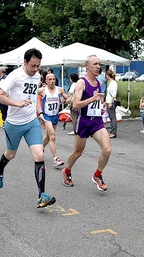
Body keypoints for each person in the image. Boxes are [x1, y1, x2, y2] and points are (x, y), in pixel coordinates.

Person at [0, 48, 56, 208]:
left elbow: (35, 96)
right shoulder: (14, 76)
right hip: (13, 123)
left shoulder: (37, 76)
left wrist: (39, 112)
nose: (36, 70)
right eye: (33, 66)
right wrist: (18, 103)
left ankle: (41, 195)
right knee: (11, 154)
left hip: (31, 121)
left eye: (38, 66)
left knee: (39, 155)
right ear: (25, 62)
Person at [61, 55, 111, 191]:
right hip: (83, 122)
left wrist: (102, 103)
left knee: (107, 150)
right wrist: (91, 99)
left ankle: (97, 175)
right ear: (87, 66)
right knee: (78, 152)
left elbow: (97, 100)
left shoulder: (99, 83)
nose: (97, 66)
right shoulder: (81, 83)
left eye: (99, 64)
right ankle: (67, 171)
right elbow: (76, 105)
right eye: (94, 64)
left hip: (97, 122)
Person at [37, 73, 69, 167]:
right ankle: (56, 159)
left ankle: (40, 148)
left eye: (53, 79)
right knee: (52, 136)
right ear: (46, 81)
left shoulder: (59, 89)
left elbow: (68, 99)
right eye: (50, 79)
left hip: (55, 116)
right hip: (46, 116)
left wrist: (65, 100)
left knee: (48, 136)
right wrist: (38, 113)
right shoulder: (42, 90)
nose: (52, 81)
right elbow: (33, 96)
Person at [105, 70, 118, 138]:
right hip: (108, 101)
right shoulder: (110, 83)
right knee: (111, 117)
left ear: (108, 75)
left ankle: (113, 132)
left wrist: (110, 102)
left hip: (111, 102)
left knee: (113, 118)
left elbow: (114, 94)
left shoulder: (114, 83)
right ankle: (112, 131)